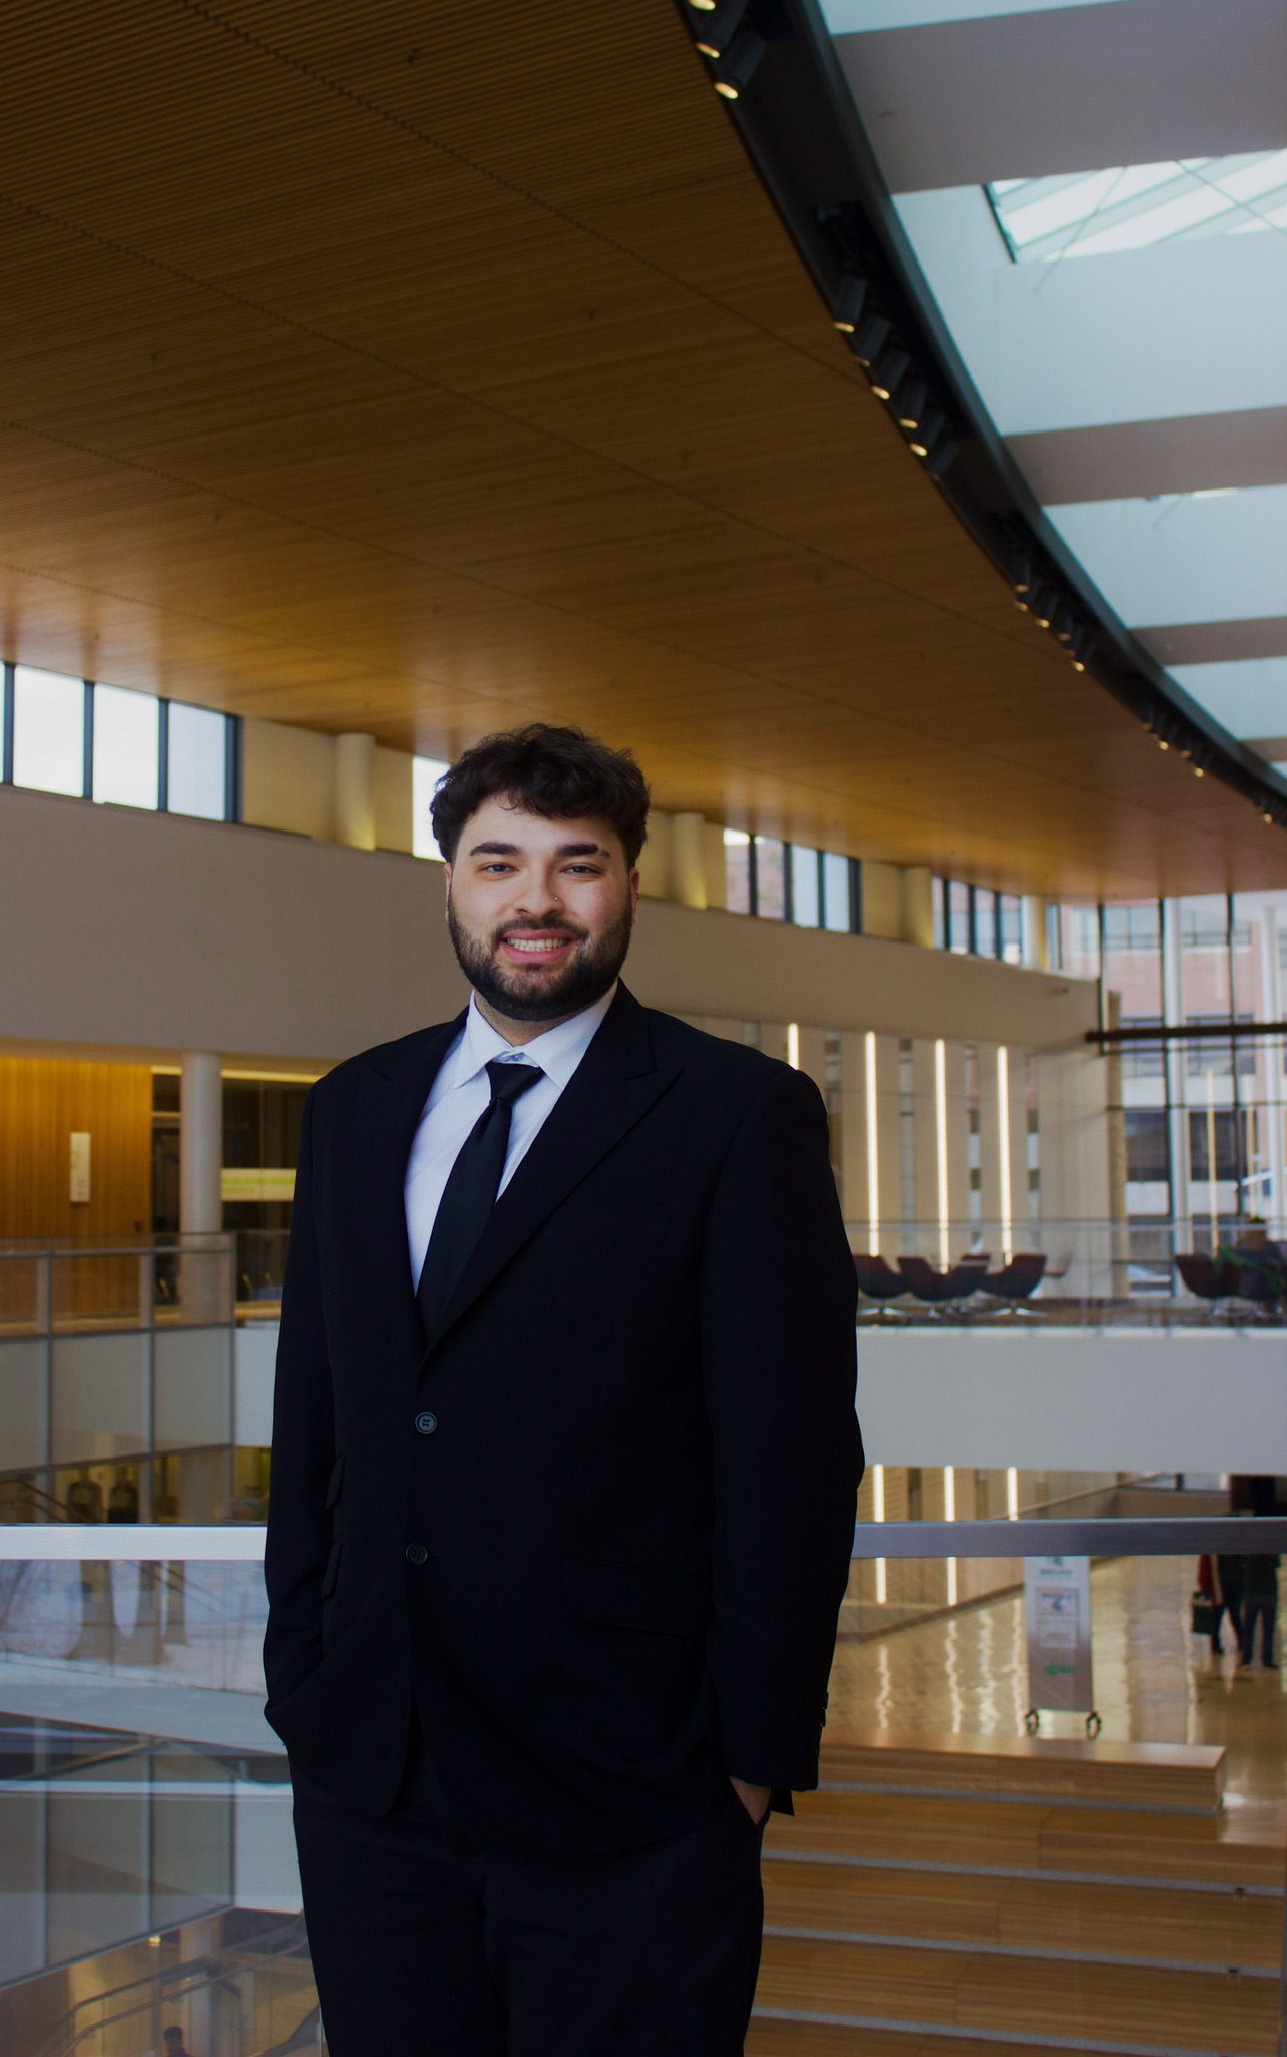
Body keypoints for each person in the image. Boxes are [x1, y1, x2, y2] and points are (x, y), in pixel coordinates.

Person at [264, 723, 862, 2057]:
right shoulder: (354, 1111)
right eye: (500, 863)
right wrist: (300, 1671)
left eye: (576, 865)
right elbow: (316, 1424)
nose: (537, 901)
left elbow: (793, 1461)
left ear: (629, 884)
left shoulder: (735, 1115)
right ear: (451, 886)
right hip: (371, 1779)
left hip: (632, 1793)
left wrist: (751, 1762)